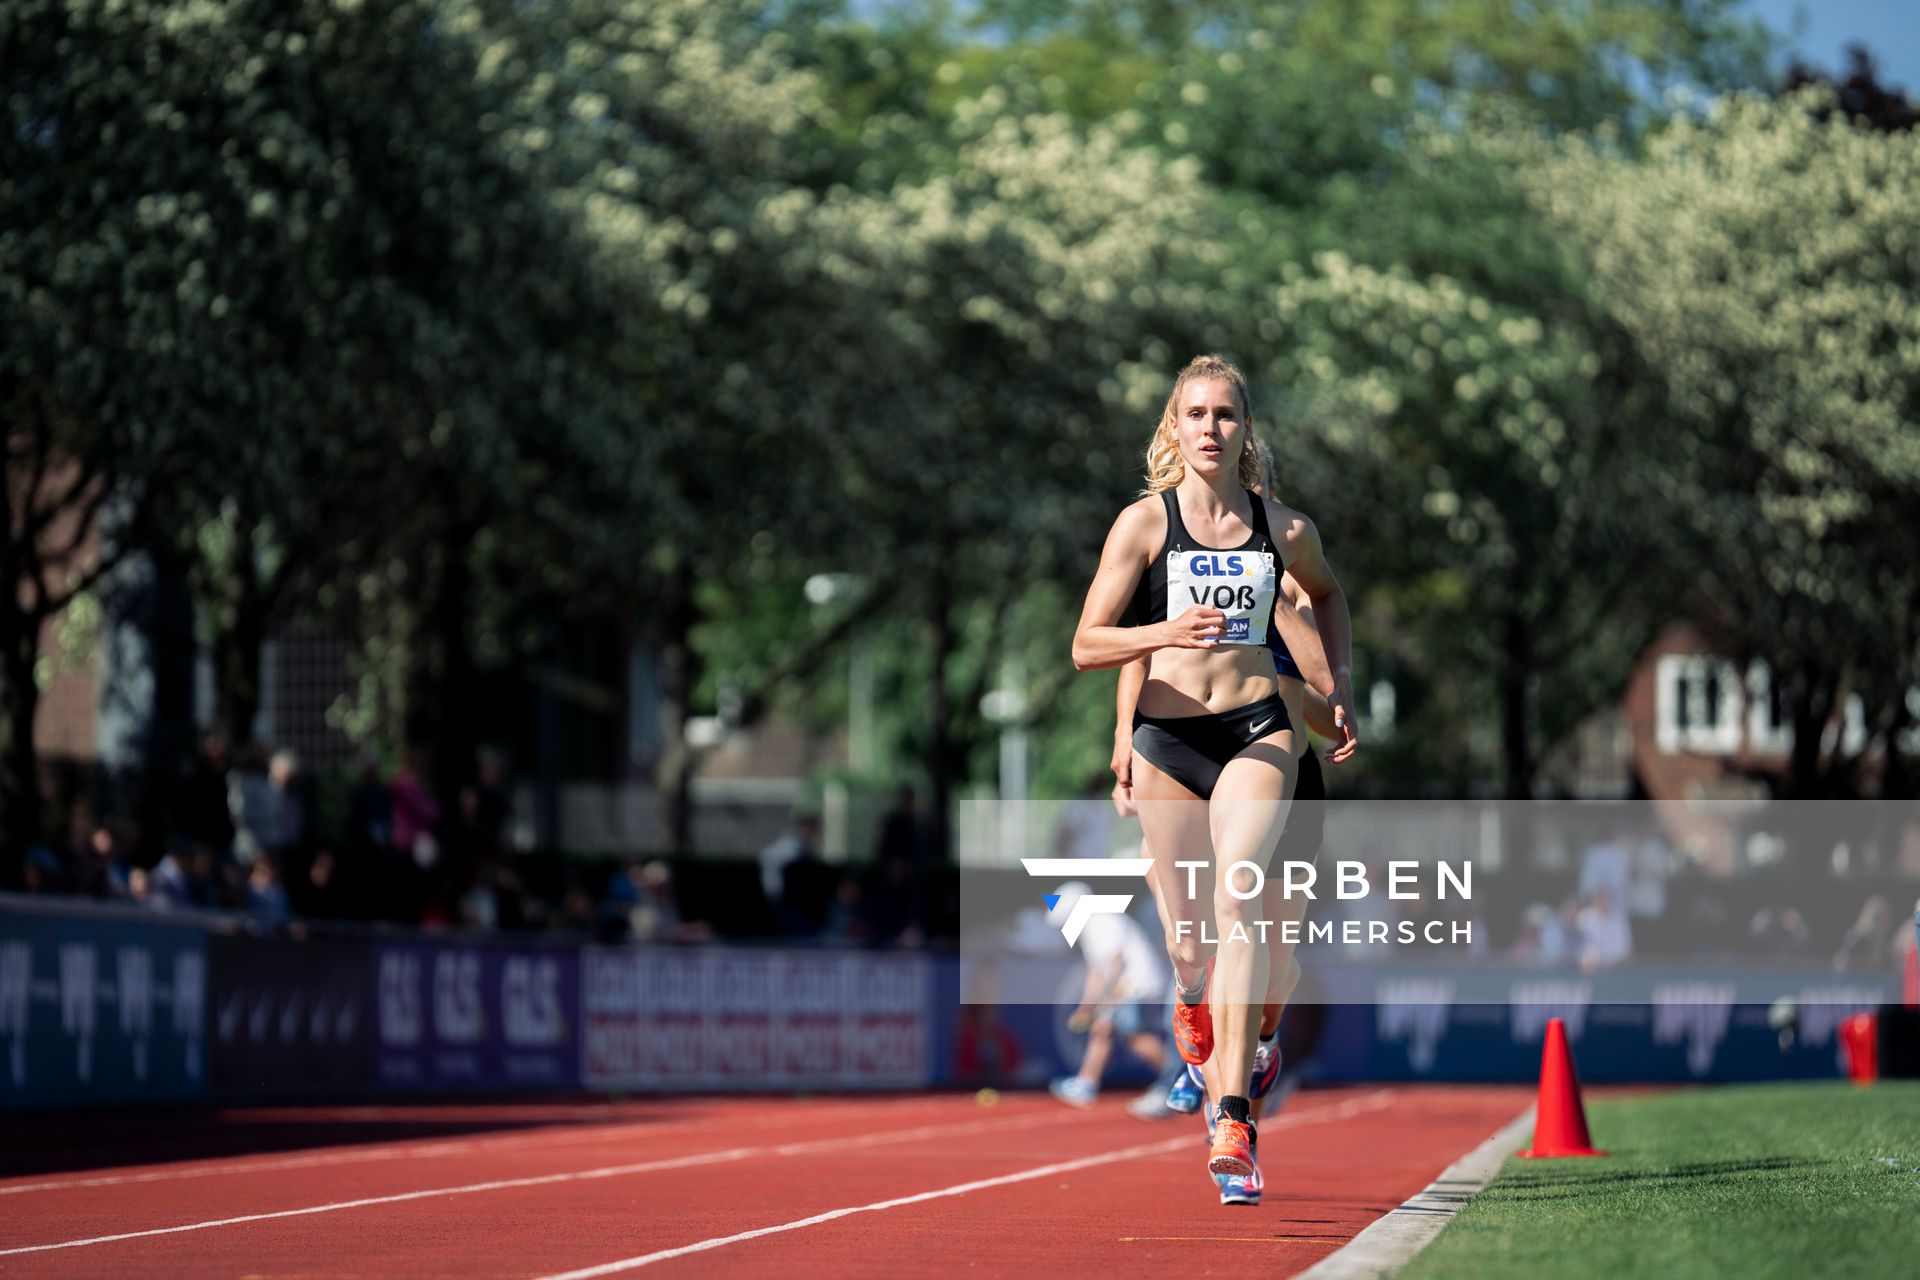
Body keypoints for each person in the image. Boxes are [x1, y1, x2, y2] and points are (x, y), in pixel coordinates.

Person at [1073, 354, 1357, 1189]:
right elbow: (1088, 644)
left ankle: (1232, 1119)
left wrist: (1335, 690)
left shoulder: (1285, 530)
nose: (1210, 428)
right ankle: (1194, 1000)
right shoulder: (1143, 526)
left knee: (1242, 899)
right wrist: (1159, 639)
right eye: (1194, 414)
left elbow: (1325, 599)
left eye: (1225, 415)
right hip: (1169, 738)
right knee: (1188, 943)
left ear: (1244, 430)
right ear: (1174, 427)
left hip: (1258, 730)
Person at [1045, 881, 1171, 1107]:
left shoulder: (1100, 922)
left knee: (1134, 1036)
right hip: (1130, 984)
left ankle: (1179, 1078)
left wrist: (1103, 1001)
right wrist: (1087, 1007)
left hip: (1135, 984)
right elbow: (1097, 972)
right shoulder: (1092, 926)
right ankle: (1086, 1084)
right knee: (1102, 1029)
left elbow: (1116, 963)